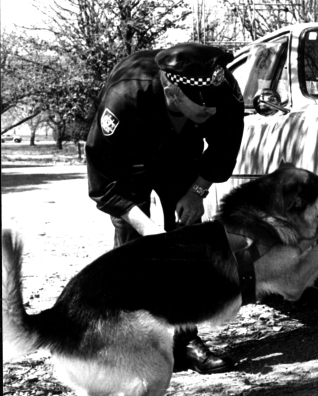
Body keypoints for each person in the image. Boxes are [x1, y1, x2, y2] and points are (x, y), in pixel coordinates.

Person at [85, 42, 245, 374]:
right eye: (203, 109)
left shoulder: (221, 92)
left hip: (180, 153)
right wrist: (145, 227)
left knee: (188, 242)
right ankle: (126, 344)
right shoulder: (124, 98)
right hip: (129, 160)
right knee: (132, 246)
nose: (212, 112)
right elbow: (104, 179)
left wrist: (197, 191)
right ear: (172, 91)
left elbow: (225, 147)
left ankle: (185, 342)